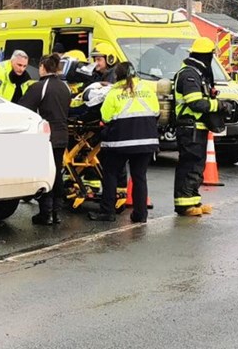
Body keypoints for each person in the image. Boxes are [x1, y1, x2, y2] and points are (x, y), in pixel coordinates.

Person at [95, 61, 159, 223]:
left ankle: (107, 212)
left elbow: (105, 117)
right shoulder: (147, 89)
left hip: (120, 142)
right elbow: (156, 112)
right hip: (146, 141)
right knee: (139, 177)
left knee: (110, 174)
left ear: (117, 75)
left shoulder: (114, 92)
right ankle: (140, 214)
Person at [21, 53, 72, 225]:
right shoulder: (65, 87)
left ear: (42, 68)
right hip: (62, 135)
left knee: (45, 173)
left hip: (46, 135)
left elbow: (24, 108)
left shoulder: (40, 87)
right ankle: (56, 212)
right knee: (57, 172)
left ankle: (46, 212)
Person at [173, 37, 221, 217]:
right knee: (189, 165)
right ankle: (184, 205)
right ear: (205, 56)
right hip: (189, 127)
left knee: (197, 166)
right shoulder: (189, 75)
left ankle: (193, 200)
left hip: (197, 127)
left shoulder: (197, 73)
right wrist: (219, 105)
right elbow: (195, 103)